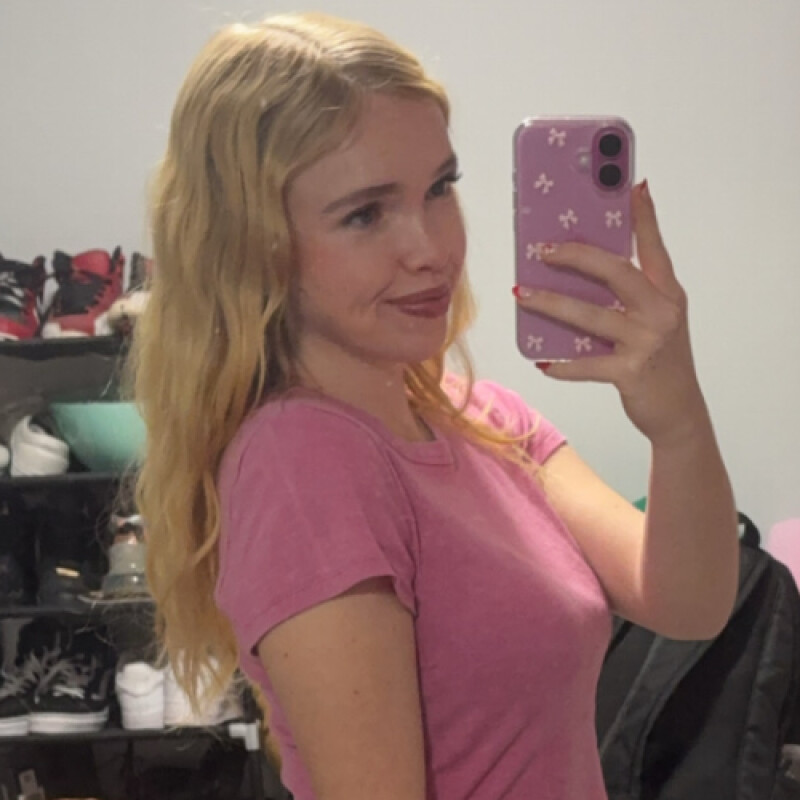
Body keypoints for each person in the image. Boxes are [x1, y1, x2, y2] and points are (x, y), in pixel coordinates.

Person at [129, 12, 740, 800]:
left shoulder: (480, 418)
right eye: (365, 214)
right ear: (252, 243)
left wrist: (678, 420)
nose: (431, 248)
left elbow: (689, 603)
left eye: (440, 188)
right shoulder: (301, 461)